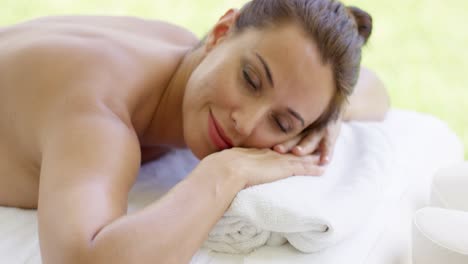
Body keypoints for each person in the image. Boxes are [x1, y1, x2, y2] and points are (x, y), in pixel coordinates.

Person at [0, 0, 389, 263]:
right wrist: (225, 173)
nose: (247, 122)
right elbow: (81, 259)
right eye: (251, 80)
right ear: (221, 32)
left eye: (282, 123)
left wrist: (329, 116)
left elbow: (377, 90)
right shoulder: (99, 113)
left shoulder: (184, 52)